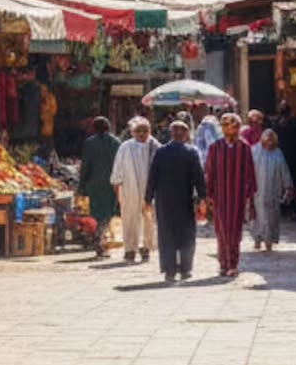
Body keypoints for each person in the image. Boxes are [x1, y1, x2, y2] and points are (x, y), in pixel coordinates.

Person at [146, 118, 206, 283]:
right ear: (186, 134)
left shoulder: (161, 152)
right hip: (184, 200)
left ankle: (169, 270)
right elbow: (199, 177)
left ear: (171, 134)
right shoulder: (191, 152)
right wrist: (202, 197)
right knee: (186, 235)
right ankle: (186, 269)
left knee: (167, 235)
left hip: (164, 201)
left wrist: (148, 198)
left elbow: (152, 177)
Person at [205, 110, 257, 277]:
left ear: (238, 128)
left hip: (237, 196)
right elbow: (209, 171)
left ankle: (233, 263)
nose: (229, 129)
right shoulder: (215, 148)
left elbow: (250, 172)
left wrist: (250, 195)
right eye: (225, 125)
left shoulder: (244, 148)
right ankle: (223, 263)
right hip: (220, 195)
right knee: (221, 230)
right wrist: (208, 194)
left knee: (234, 230)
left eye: (233, 126)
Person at [111, 115, 158, 264]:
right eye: (139, 131)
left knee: (148, 219)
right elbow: (117, 168)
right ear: (133, 132)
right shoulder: (125, 147)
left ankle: (146, 247)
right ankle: (130, 249)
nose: (142, 134)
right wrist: (117, 184)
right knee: (129, 218)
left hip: (150, 189)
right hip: (129, 188)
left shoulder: (155, 146)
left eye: (145, 131)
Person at [78, 116, 119, 258]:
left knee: (96, 213)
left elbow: (85, 166)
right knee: (108, 213)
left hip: (94, 185)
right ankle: (102, 240)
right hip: (111, 184)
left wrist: (81, 185)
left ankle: (99, 240)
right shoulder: (116, 142)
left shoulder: (90, 143)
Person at [249, 128, 293, 251]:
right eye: (267, 141)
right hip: (257, 191)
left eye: (271, 142)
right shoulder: (254, 151)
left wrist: (288, 185)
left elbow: (284, 170)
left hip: (273, 191)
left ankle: (269, 241)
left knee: (271, 217)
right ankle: (257, 239)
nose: (269, 144)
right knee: (257, 216)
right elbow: (247, 170)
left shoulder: (278, 153)